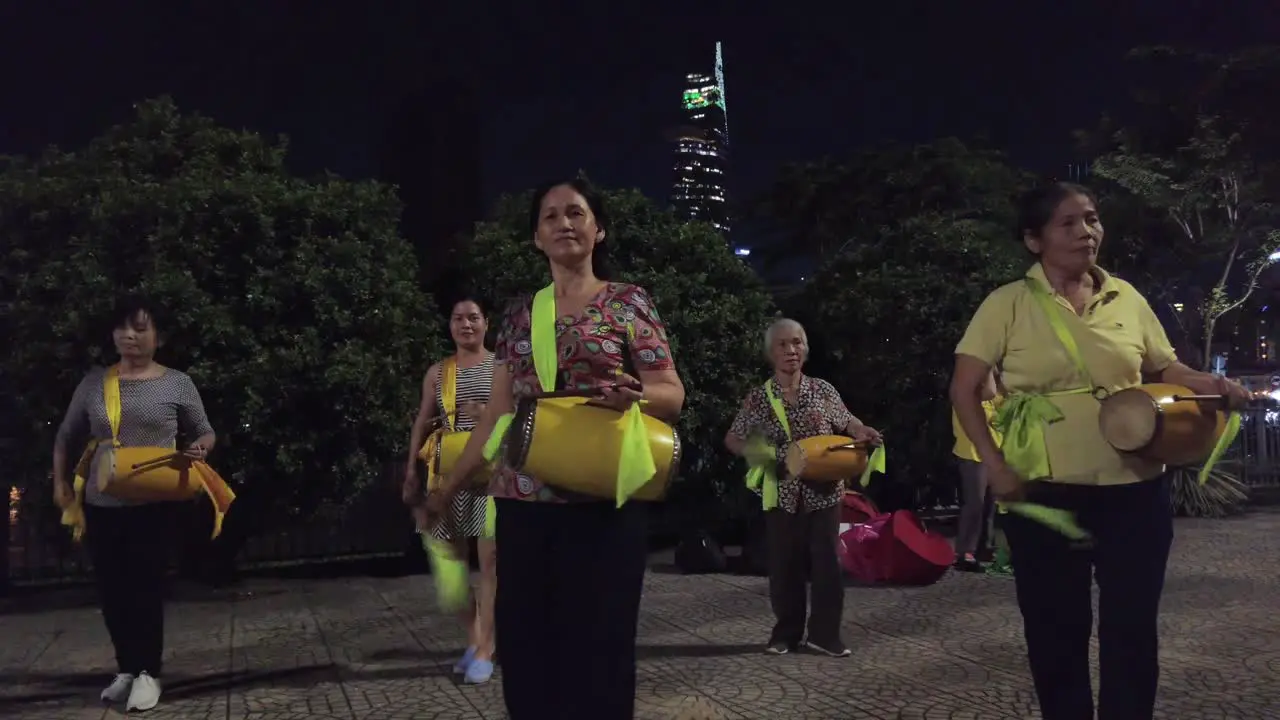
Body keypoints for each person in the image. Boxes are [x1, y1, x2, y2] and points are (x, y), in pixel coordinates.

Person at [949, 182, 1251, 720]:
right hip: (1045, 494)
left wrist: (1210, 382)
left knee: (1132, 630)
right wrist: (994, 465)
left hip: (1136, 489)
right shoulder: (1007, 304)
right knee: (1055, 632)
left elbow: (1164, 369)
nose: (1086, 232)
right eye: (1067, 223)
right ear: (1034, 240)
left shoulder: (1127, 297)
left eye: (1091, 219)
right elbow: (964, 388)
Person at [428, 177, 685, 719]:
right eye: (550, 217)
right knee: (527, 651)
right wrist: (450, 485)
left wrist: (637, 397)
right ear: (535, 239)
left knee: (602, 649)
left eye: (576, 213)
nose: (564, 223)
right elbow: (498, 413)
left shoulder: (628, 301)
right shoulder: (520, 314)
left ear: (598, 229)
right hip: (522, 502)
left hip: (605, 497)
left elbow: (671, 391)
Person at [52, 297, 216, 712]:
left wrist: (199, 447)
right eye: (124, 329)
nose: (131, 337)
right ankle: (126, 668)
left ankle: (148, 673)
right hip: (102, 501)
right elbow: (66, 436)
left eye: (141, 329)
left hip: (154, 501)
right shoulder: (94, 383)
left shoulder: (176, 383)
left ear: (158, 336)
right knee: (112, 589)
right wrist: (60, 483)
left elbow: (205, 432)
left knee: (146, 587)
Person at [724, 317, 882, 658]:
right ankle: (785, 634)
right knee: (784, 565)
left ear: (805, 349)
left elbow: (847, 421)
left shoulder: (823, 390)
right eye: (782, 344)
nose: (790, 350)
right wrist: (763, 456)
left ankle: (825, 636)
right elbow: (733, 439)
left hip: (824, 491)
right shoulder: (759, 398)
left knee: (827, 564)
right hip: (780, 492)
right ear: (770, 353)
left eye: (796, 342)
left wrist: (862, 430)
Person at [401, 297, 497, 685]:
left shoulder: (500, 368)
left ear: (486, 324)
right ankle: (474, 641)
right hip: (445, 474)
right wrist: (410, 469)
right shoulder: (439, 372)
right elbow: (422, 421)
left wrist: (486, 416)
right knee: (453, 567)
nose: (466, 324)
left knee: (491, 565)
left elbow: (522, 415)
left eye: (473, 317)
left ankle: (487, 649)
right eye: (458, 318)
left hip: (492, 473)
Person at [951, 369, 1001, 571]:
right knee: (975, 504)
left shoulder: (990, 396)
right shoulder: (964, 392)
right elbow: (989, 392)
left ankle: (983, 547)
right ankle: (964, 552)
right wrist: (988, 366)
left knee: (989, 504)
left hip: (991, 454)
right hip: (971, 454)